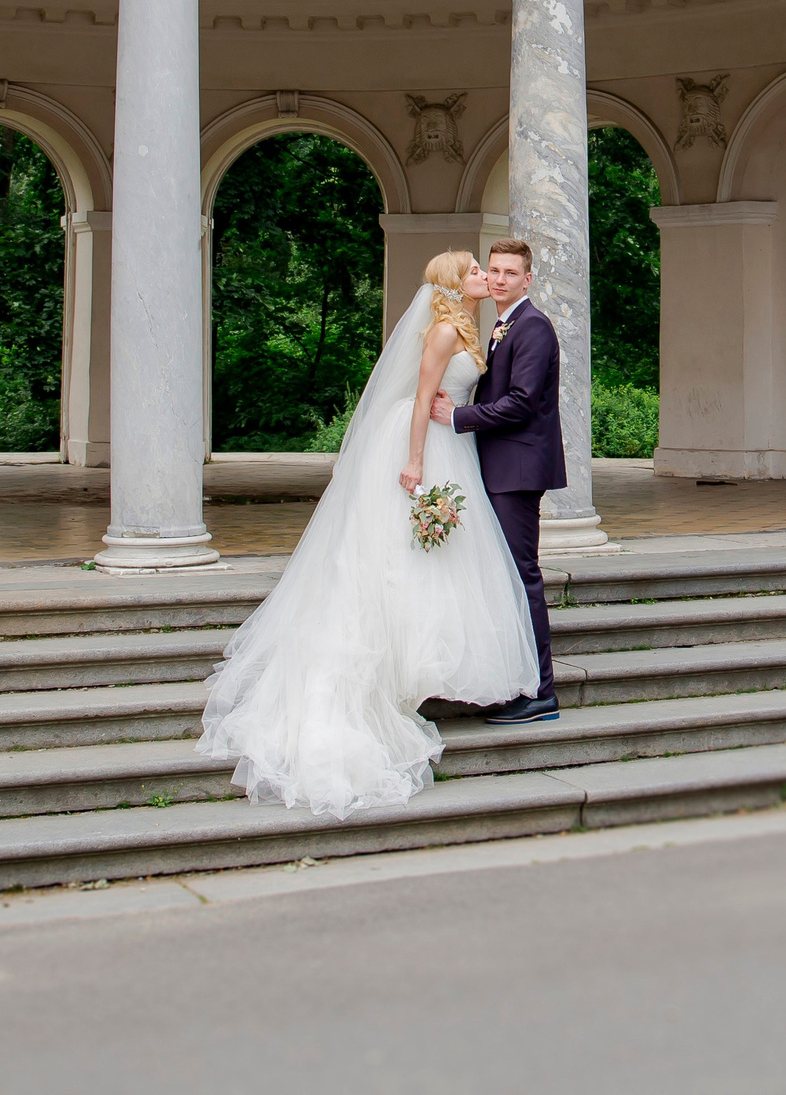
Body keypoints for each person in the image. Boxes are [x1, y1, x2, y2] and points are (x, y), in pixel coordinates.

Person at [195, 251, 538, 817]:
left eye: (490, 270)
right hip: (424, 444)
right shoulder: (443, 331)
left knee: (435, 558)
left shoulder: (465, 327)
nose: (485, 276)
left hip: (451, 443)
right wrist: (414, 461)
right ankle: (387, 677)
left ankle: (415, 673)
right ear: (457, 283)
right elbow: (421, 398)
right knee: (400, 555)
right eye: (476, 271)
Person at [432, 236, 565, 724]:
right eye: (494, 271)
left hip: (518, 469)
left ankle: (542, 691)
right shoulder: (501, 324)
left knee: (522, 575)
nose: (499, 279)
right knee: (505, 575)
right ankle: (515, 679)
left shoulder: (533, 327)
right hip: (498, 464)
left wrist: (458, 417)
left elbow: (522, 402)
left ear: (527, 280)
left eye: (511, 273)